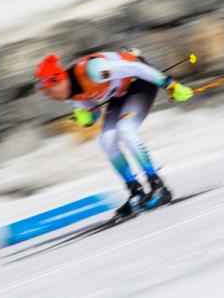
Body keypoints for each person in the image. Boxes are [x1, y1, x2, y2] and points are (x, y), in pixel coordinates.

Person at [35, 50, 194, 219]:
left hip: (140, 81)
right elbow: (93, 112)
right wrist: (87, 118)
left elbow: (137, 68)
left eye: (49, 92)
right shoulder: (68, 94)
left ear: (58, 80)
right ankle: (136, 191)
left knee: (126, 129)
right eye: (46, 94)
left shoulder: (92, 71)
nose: (50, 97)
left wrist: (171, 85)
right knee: (106, 140)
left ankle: (158, 186)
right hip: (120, 93)